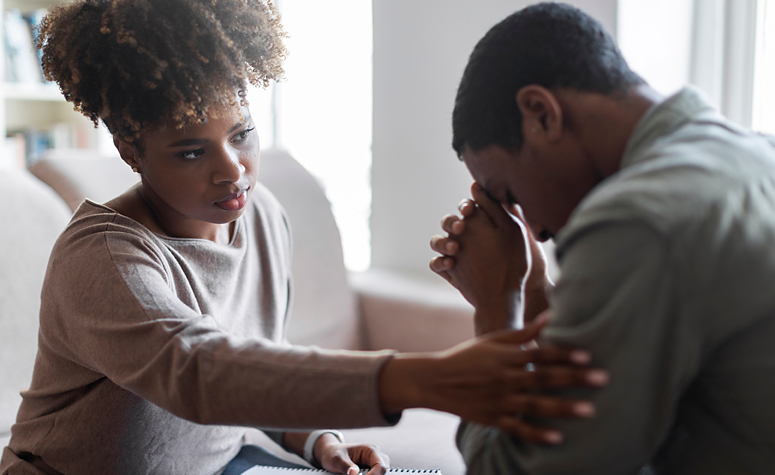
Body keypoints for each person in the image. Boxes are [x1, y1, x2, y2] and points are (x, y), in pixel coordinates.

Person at [0, 1, 609, 474]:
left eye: (241, 135)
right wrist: (424, 377)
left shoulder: (261, 216)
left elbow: (259, 367)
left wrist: (319, 440)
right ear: (130, 152)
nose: (231, 170)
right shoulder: (104, 255)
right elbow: (201, 372)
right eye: (191, 151)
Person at [430, 2, 775, 474]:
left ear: (541, 113)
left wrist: (496, 309)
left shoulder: (640, 219)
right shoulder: (755, 154)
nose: (533, 229)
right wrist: (533, 294)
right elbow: (641, 355)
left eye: (511, 195)